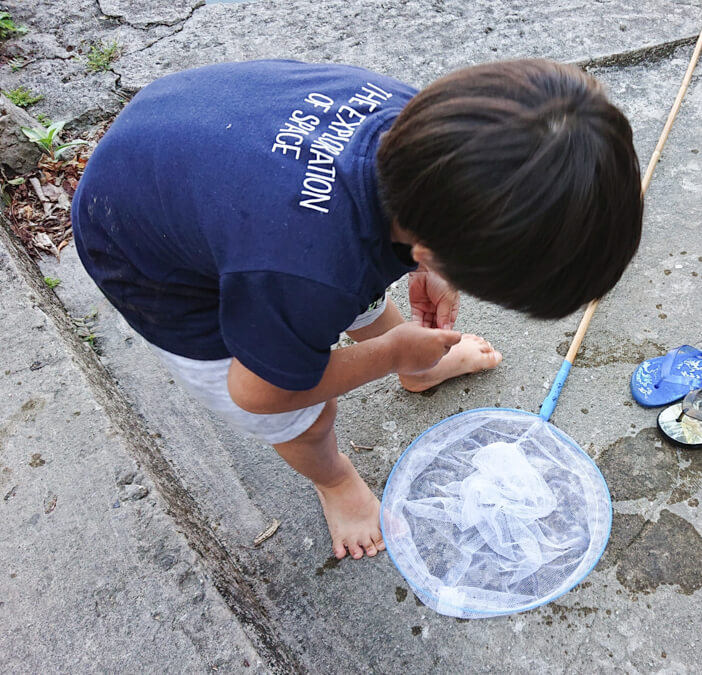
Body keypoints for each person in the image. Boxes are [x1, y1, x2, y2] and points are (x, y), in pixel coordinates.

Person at [71, 58, 643, 560]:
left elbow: (342, 250)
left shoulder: (424, 128)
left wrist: (428, 270)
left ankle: (418, 371)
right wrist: (388, 350)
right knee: (302, 411)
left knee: (341, 273)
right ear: (427, 248)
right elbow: (259, 392)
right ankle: (336, 481)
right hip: (149, 257)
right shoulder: (301, 266)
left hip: (201, 143)